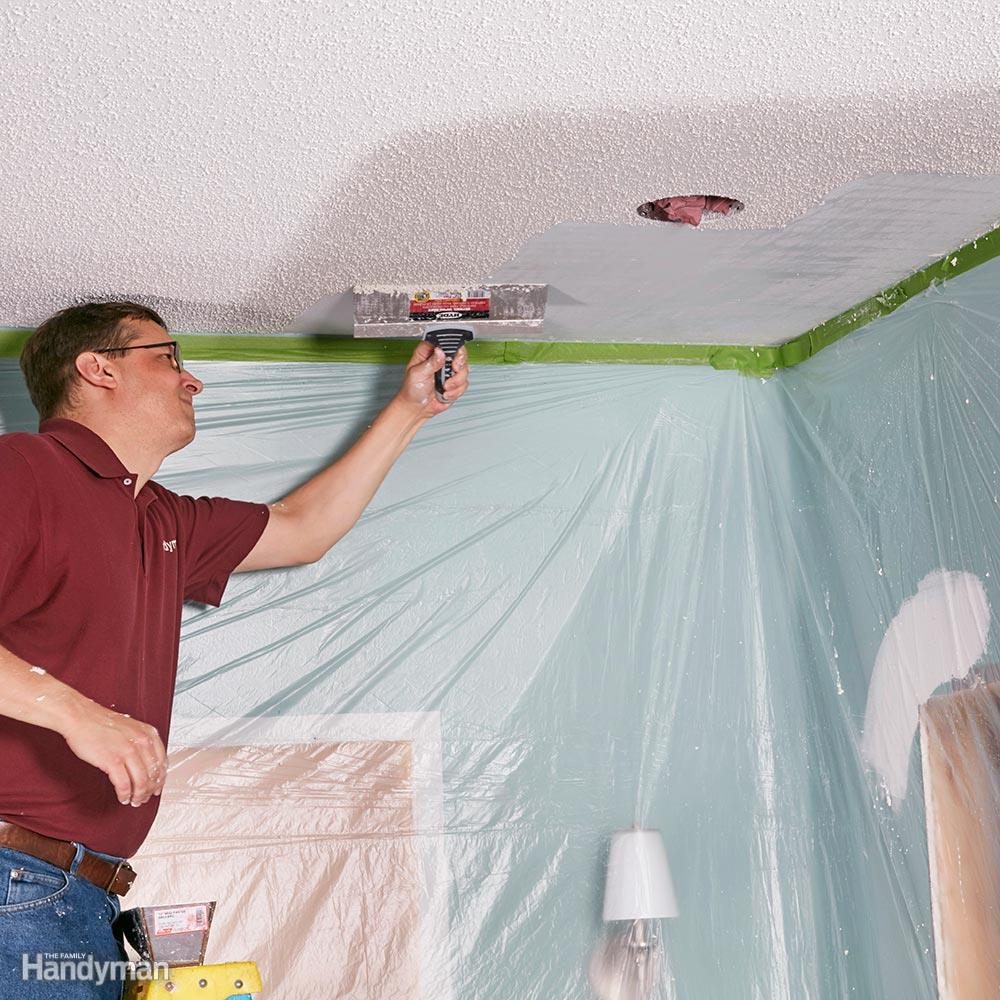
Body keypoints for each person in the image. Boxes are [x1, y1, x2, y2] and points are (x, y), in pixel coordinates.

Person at [0, 300, 469, 997]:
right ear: (98, 369)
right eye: (168, 358)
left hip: (76, 896)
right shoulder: (21, 468)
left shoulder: (160, 517)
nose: (192, 380)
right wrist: (77, 715)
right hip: (16, 883)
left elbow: (302, 528)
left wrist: (410, 409)